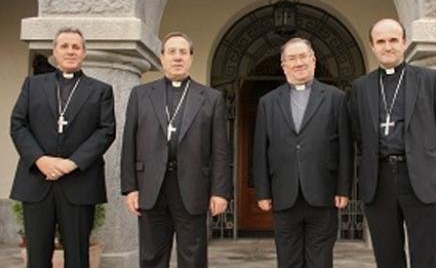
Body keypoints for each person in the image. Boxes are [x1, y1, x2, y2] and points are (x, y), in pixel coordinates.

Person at [349, 18, 436, 268]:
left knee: (427, 255)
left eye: (393, 40)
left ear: (404, 43)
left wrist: (427, 156)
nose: (387, 47)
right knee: (387, 255)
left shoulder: (430, 79)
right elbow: (358, 133)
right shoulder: (361, 87)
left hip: (420, 176)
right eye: (380, 41)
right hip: (379, 179)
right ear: (372, 46)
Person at [120, 32, 232, 268]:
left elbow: (221, 149)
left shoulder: (211, 98)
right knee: (151, 257)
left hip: (193, 187)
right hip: (151, 186)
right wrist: (130, 187)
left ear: (191, 58)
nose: (177, 57)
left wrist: (220, 191)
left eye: (183, 52)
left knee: (193, 257)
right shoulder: (141, 95)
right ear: (161, 58)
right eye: (171, 52)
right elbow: (129, 143)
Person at [10, 27, 116, 268]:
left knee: (78, 258)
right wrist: (40, 160)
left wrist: (71, 163)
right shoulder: (33, 85)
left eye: (76, 47)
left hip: (79, 182)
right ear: (54, 52)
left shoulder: (100, 90)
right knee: (36, 258)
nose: (70, 51)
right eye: (64, 46)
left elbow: (106, 131)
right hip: (37, 180)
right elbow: (18, 125)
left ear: (84, 53)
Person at [252, 37, 353, 268]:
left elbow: (346, 148)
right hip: (283, 194)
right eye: (292, 58)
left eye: (303, 56)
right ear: (283, 65)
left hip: (323, 192)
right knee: (288, 260)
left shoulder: (336, 98)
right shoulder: (268, 102)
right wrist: (262, 192)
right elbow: (260, 150)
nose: (298, 63)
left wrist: (343, 188)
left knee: (321, 260)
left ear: (313, 60)